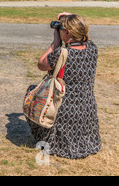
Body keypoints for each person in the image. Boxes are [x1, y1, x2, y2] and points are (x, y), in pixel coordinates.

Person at [27, 12, 101, 159]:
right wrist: (73, 17)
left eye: (61, 30)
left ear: (67, 32)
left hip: (63, 113)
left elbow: (41, 64)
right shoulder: (92, 49)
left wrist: (55, 43)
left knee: (31, 92)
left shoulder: (62, 53)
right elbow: (85, 36)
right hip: (86, 112)